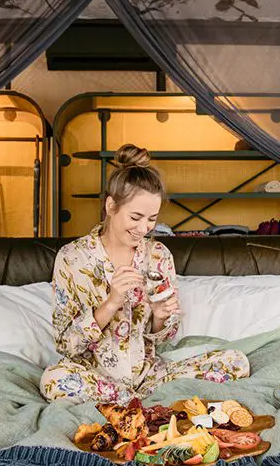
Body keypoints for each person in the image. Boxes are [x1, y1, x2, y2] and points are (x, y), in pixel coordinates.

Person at [40, 144, 250, 404]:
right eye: (136, 217)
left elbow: (164, 338)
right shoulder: (72, 258)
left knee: (235, 361)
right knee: (53, 380)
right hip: (93, 377)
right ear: (111, 206)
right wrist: (111, 302)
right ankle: (140, 401)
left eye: (152, 219)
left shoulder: (159, 255)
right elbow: (66, 344)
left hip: (152, 376)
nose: (144, 228)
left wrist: (161, 319)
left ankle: (133, 401)